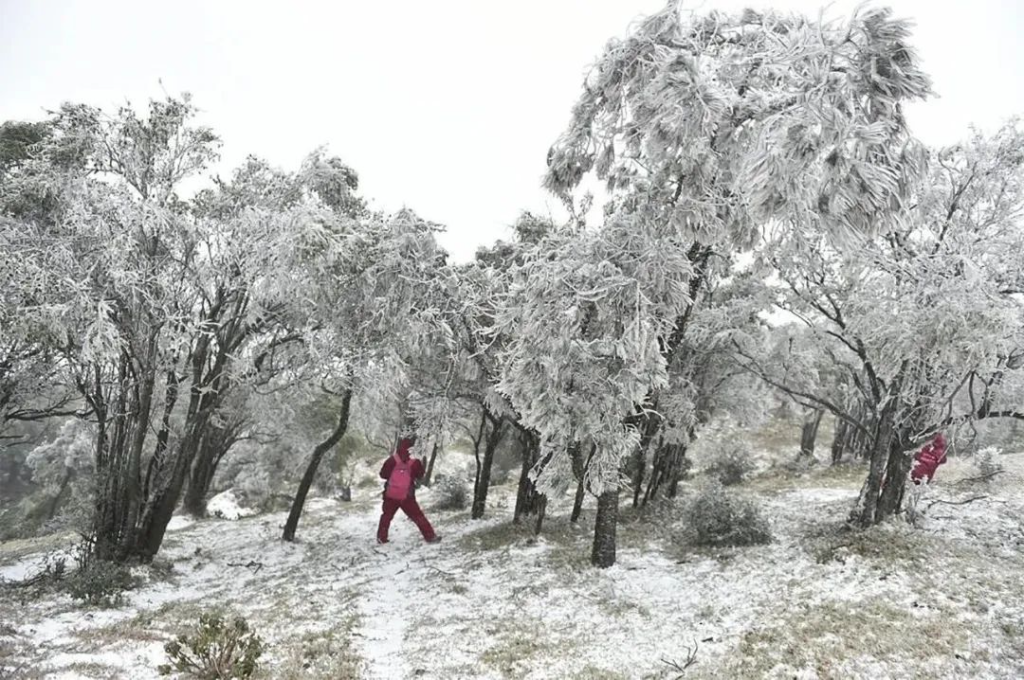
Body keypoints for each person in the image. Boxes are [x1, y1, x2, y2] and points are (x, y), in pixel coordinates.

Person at [376, 436, 441, 544]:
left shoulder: (392, 460)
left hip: (391, 495)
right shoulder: (414, 462)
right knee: (418, 517)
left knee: (386, 516)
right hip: (407, 497)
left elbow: (382, 475)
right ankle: (430, 537)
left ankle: (381, 538)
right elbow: (420, 475)